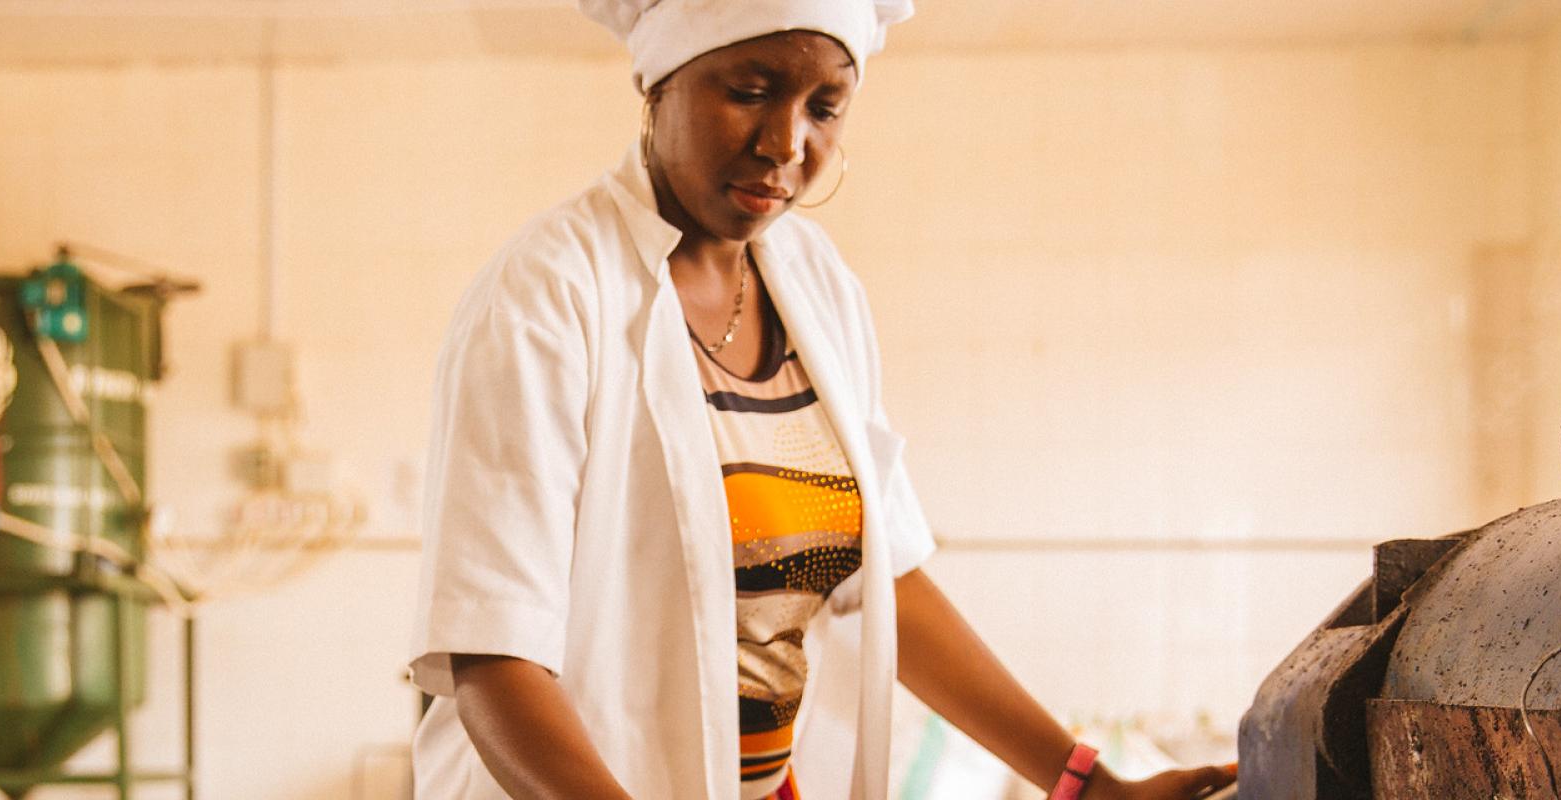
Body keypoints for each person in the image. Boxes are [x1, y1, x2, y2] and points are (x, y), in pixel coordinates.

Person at [407, 1, 1241, 797]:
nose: (786, 143)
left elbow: (883, 577)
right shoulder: (548, 293)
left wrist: (1085, 782)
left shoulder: (815, 284)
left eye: (825, 105)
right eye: (749, 91)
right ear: (658, 83)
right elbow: (492, 653)